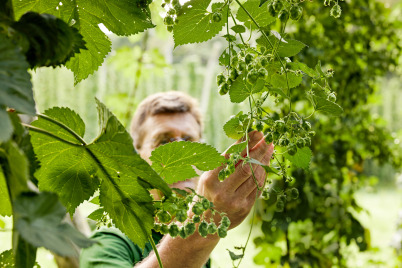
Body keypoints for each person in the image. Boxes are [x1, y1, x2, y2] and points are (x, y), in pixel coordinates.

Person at [80, 91, 274, 267]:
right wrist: (206, 222)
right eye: (164, 141)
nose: (181, 153)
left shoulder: (199, 249)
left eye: (189, 141)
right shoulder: (109, 245)